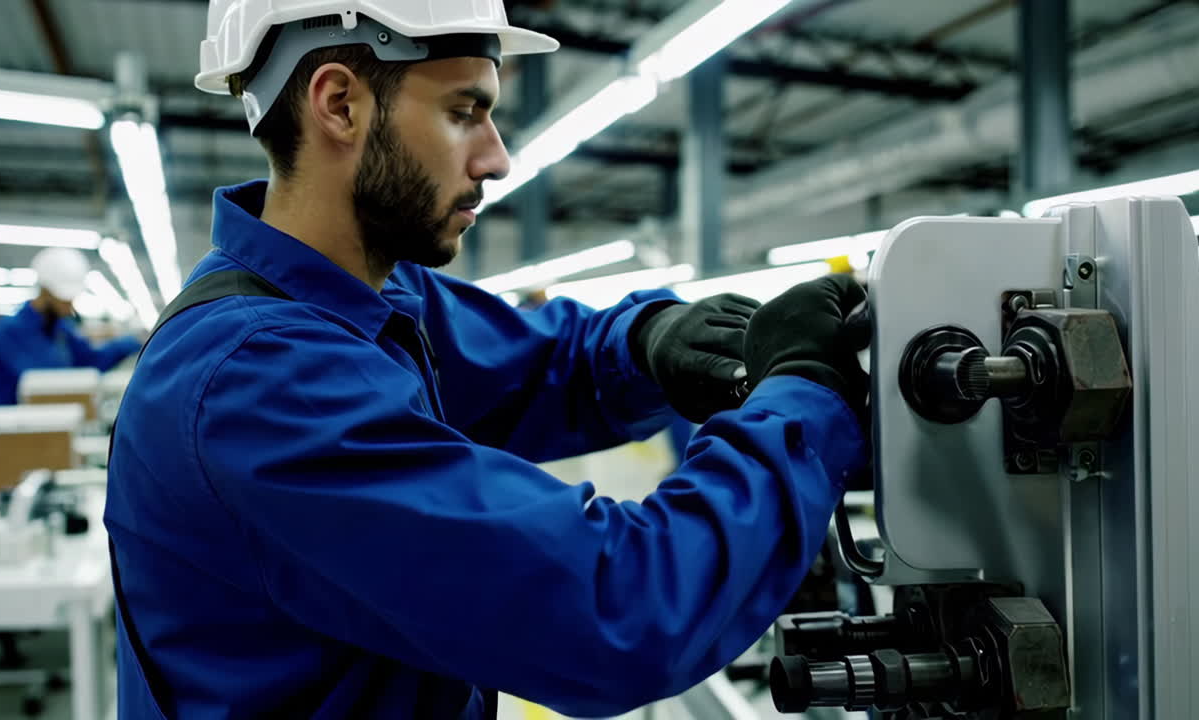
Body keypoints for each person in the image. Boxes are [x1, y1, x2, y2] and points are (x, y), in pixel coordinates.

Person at [105, 1, 870, 717]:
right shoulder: (261, 381)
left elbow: (541, 364)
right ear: (339, 103)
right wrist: (805, 399)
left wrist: (655, 342)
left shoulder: (369, 300)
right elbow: (619, 607)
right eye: (463, 112)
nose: (497, 158)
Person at [0, 247, 142, 406]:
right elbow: (48, 380)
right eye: (64, 299)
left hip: (45, 423)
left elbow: (90, 360)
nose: (69, 306)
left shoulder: (60, 328)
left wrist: (132, 342)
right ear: (45, 291)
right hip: (5, 427)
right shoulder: (10, 331)